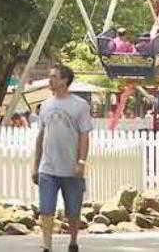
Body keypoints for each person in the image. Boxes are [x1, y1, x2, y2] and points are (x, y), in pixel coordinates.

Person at [32, 65, 92, 252]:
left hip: (71, 169)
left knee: (73, 211)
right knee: (46, 209)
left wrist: (81, 162)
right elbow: (41, 136)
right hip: (47, 168)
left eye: (54, 77)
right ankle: (47, 245)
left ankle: (73, 241)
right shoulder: (46, 105)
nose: (50, 80)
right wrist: (35, 165)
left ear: (65, 80)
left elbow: (84, 135)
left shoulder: (80, 105)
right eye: (50, 77)